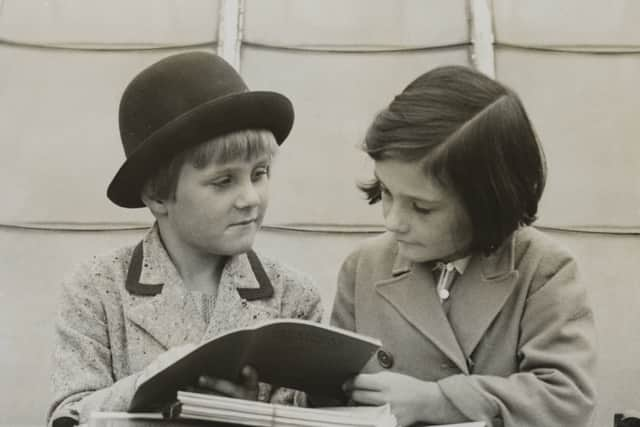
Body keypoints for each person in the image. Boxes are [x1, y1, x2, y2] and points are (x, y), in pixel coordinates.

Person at [47, 52, 322, 427]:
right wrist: (157, 383)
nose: (251, 197)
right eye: (224, 181)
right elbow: (68, 415)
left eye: (260, 173)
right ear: (158, 196)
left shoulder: (293, 296)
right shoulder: (96, 289)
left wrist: (243, 413)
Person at [332, 65, 596, 427]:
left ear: (487, 201)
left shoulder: (544, 269)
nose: (393, 221)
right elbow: (331, 396)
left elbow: (565, 398)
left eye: (421, 207)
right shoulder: (363, 267)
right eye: (386, 193)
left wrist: (438, 402)